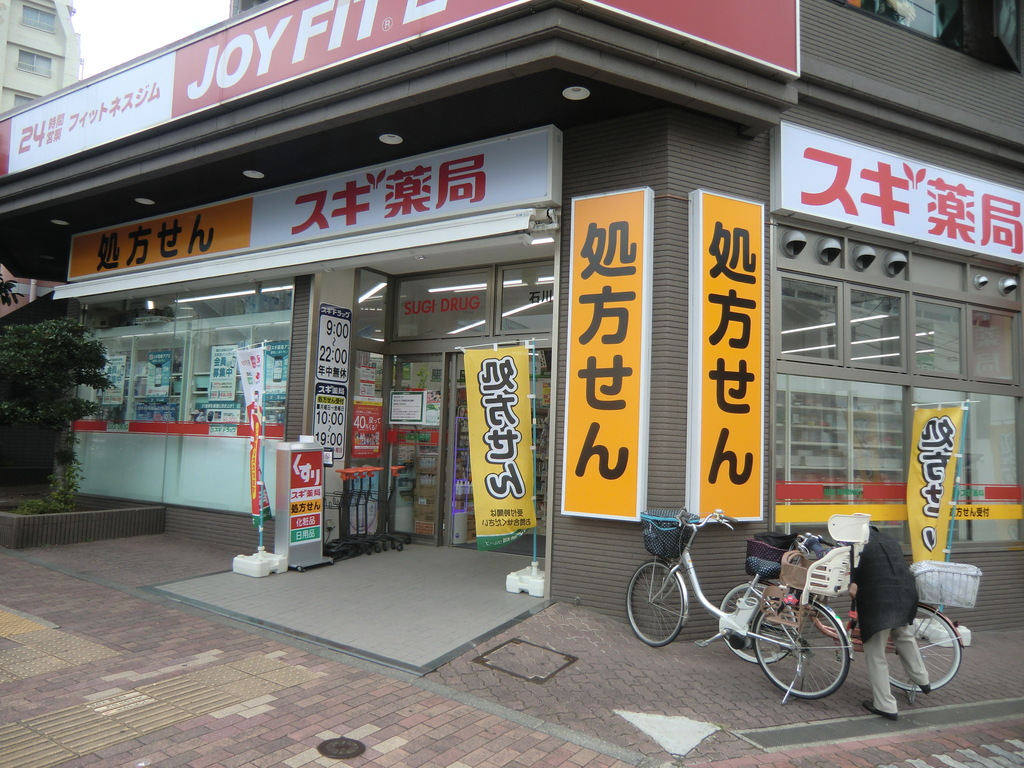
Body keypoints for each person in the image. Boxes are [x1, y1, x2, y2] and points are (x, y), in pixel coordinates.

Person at [848, 527, 930, 721]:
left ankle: (885, 705)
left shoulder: (857, 546)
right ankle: (922, 679)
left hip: (879, 602)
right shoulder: (890, 539)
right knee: (902, 633)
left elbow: (851, 584)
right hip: (905, 593)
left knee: (875, 652)